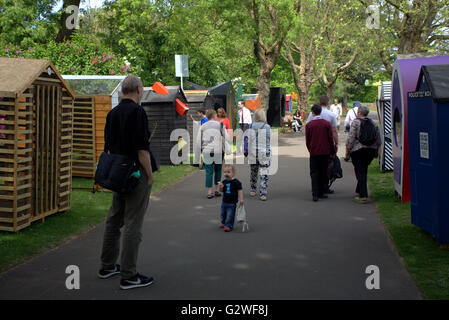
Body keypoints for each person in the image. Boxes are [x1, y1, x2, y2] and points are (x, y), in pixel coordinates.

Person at [98, 75, 154, 290]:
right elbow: (142, 150)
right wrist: (149, 175)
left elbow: (109, 146)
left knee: (114, 219)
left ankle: (107, 265)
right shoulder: (137, 112)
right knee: (133, 223)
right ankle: (129, 274)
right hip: (134, 174)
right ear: (139, 89)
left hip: (116, 173)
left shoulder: (113, 113)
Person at [345, 105, 381, 204]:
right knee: (362, 169)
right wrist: (377, 151)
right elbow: (378, 139)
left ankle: (363, 196)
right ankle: (359, 189)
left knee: (360, 171)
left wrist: (347, 150)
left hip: (358, 150)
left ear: (359, 113)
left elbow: (351, 138)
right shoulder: (373, 123)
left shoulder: (356, 122)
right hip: (371, 150)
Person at [306, 95, 338, 193]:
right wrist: (336, 144)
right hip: (326, 146)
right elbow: (334, 132)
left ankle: (316, 189)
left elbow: (308, 130)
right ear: (328, 103)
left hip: (314, 146)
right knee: (325, 168)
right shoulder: (331, 115)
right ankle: (324, 187)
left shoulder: (312, 115)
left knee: (315, 170)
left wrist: (309, 147)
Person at [195, 109, 229, 199]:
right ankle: (217, 190)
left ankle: (209, 192)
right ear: (214, 116)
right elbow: (227, 137)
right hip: (218, 151)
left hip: (207, 151)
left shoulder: (203, 126)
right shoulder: (220, 125)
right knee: (218, 170)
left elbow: (198, 141)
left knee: (209, 172)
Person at [248, 109, 271, 201]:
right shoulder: (267, 127)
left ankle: (253, 189)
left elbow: (248, 138)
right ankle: (263, 193)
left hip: (253, 151)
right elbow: (268, 139)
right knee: (264, 172)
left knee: (253, 171)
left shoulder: (251, 126)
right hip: (264, 151)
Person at [218, 164, 244, 232]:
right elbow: (221, 191)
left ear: (233, 173)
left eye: (228, 172)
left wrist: (241, 199)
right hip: (224, 202)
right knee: (222, 214)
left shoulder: (236, 182)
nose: (226, 174)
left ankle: (228, 225)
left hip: (232, 203)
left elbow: (240, 190)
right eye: (225, 172)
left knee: (230, 215)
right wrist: (220, 187)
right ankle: (223, 222)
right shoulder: (224, 182)